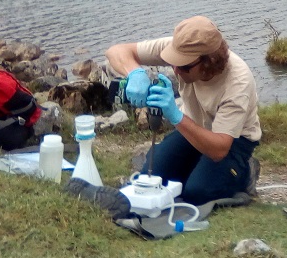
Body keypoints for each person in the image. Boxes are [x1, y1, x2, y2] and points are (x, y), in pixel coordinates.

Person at [104, 16, 261, 205]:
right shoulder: (179, 47)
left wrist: (176, 116)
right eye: (173, 63)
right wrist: (135, 73)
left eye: (184, 66)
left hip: (232, 141)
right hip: (192, 126)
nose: (176, 71)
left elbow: (219, 149)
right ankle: (199, 169)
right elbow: (116, 51)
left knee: (197, 194)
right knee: (151, 179)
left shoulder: (237, 81)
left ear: (208, 62)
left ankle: (244, 173)